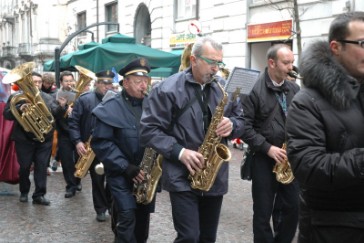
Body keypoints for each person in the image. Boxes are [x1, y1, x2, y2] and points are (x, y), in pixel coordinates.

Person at [140, 36, 245, 242]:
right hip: (181, 174)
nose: (216, 69)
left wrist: (233, 124)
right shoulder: (167, 89)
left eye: (219, 63)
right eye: (211, 62)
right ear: (194, 59)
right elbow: (148, 130)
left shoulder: (224, 88)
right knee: (189, 236)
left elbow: (242, 120)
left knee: (207, 237)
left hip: (213, 175)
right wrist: (180, 152)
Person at [285, 12, 364, 243]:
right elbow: (307, 166)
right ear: (336, 47)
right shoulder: (307, 101)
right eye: (362, 43)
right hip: (332, 228)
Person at [91, 58, 156, 243]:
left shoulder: (152, 105)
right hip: (121, 173)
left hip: (146, 174)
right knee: (126, 217)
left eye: (146, 81)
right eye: (138, 81)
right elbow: (101, 143)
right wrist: (125, 166)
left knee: (142, 222)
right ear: (125, 83)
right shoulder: (109, 107)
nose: (143, 85)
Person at [241, 43, 300, 243]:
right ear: (271, 63)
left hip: (288, 159)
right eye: (286, 62)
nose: (291, 67)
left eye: (292, 62)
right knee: (263, 213)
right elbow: (244, 127)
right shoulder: (253, 90)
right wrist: (268, 148)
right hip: (263, 159)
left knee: (293, 208)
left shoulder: (294, 88)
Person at [3, 70, 68, 205]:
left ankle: (39, 195)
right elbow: (7, 114)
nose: (37, 84)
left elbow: (55, 114)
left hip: (44, 139)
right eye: (34, 82)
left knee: (41, 167)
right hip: (24, 139)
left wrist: (62, 107)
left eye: (39, 82)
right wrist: (20, 108)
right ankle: (24, 191)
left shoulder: (48, 97)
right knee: (24, 167)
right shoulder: (17, 97)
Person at [68, 70, 114, 222]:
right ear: (97, 83)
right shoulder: (85, 100)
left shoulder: (116, 100)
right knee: (98, 179)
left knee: (113, 179)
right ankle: (101, 209)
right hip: (93, 148)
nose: (108, 87)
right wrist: (78, 141)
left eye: (110, 83)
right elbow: (73, 122)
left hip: (113, 146)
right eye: (104, 83)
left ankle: (111, 205)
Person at [55, 71, 80, 198]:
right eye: (66, 81)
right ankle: (70, 186)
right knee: (66, 161)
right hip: (64, 133)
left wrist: (73, 111)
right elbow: (54, 114)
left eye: (71, 80)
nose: (69, 83)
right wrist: (62, 107)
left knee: (78, 159)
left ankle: (77, 180)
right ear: (61, 82)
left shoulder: (78, 95)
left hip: (78, 133)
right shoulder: (56, 95)